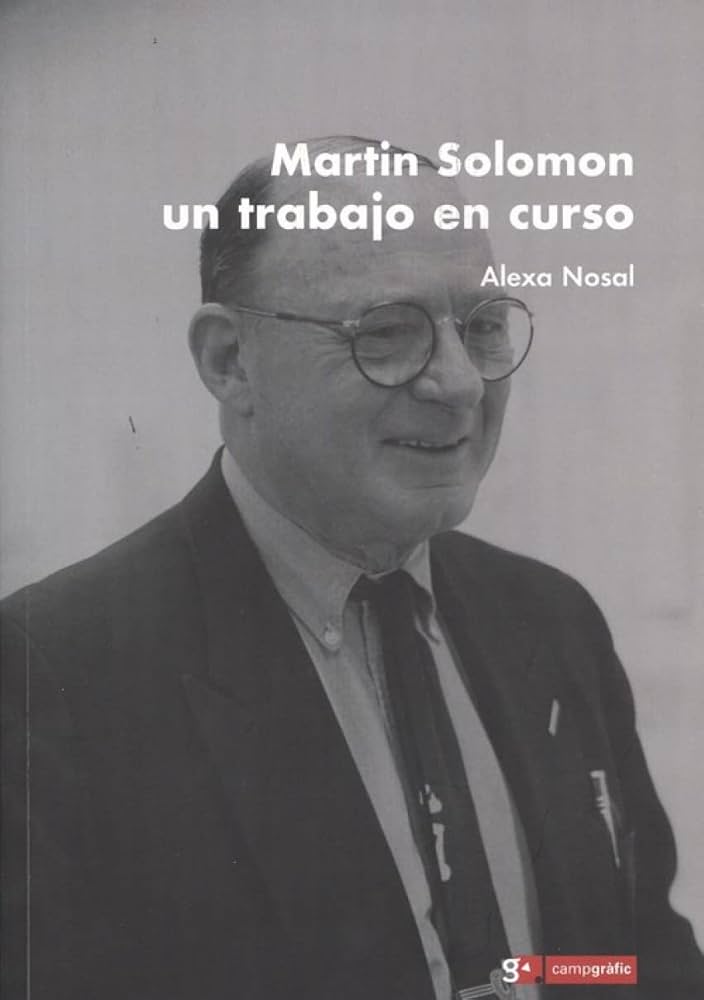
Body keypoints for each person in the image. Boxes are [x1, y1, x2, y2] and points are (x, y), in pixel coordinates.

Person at [1, 137, 702, 1000]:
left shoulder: (552, 620)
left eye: (482, 327)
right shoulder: (53, 674)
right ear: (229, 361)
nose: (460, 384)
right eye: (388, 333)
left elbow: (635, 960)